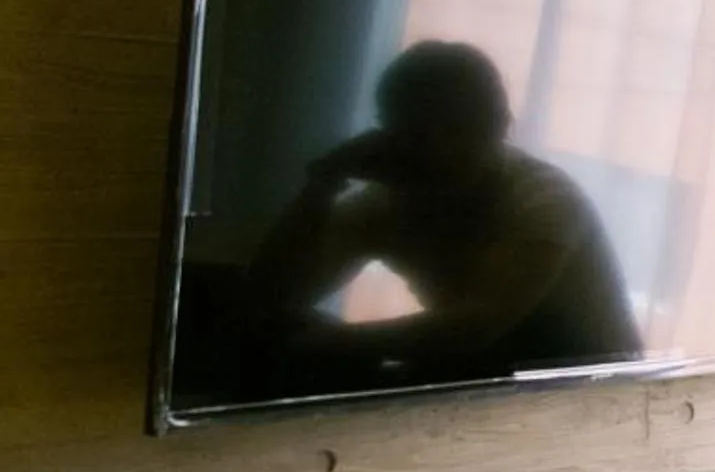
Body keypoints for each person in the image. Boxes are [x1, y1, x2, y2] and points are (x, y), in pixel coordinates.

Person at [247, 40, 641, 393]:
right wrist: (322, 186)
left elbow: (475, 327)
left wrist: (336, 342)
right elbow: (277, 295)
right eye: (415, 134)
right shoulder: (385, 204)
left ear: (498, 128)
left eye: (454, 130)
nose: (437, 150)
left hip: (596, 403)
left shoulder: (546, 202)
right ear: (388, 134)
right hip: (492, 390)